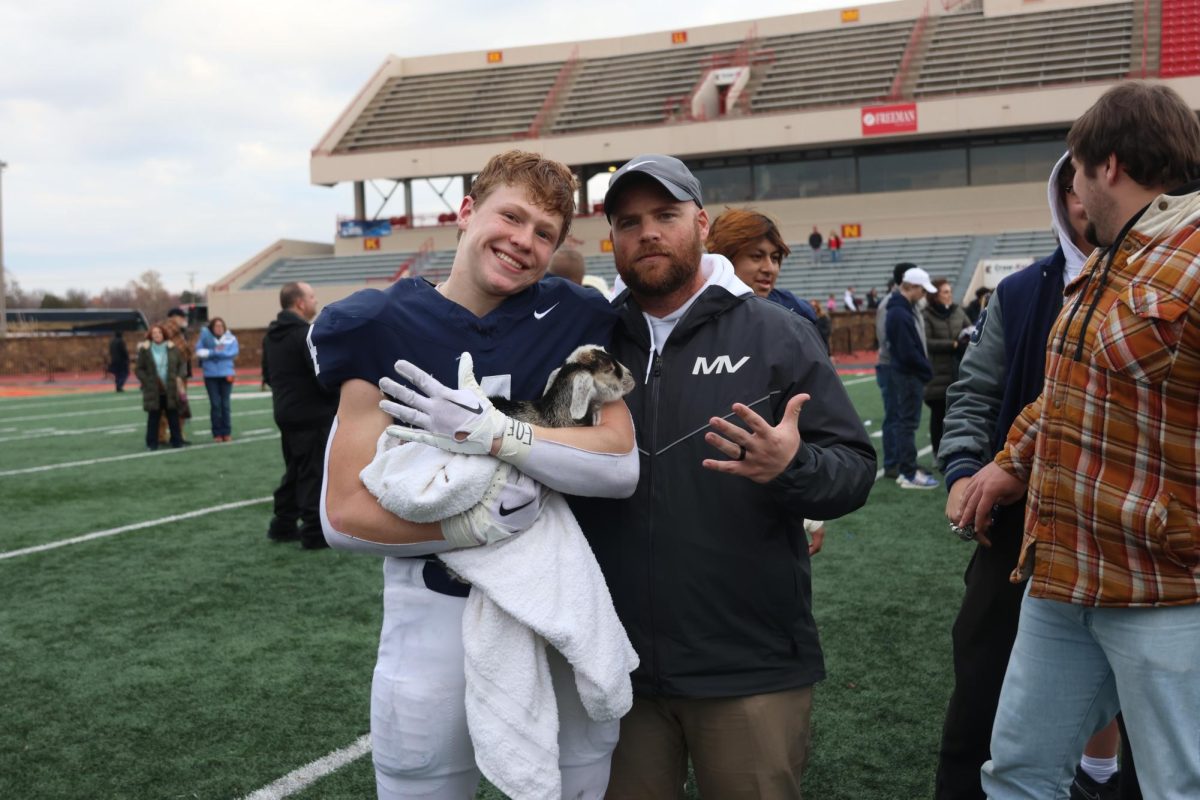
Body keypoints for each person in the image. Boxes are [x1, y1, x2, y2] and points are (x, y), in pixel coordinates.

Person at [309, 150, 638, 798]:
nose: (523, 241)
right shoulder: (381, 322)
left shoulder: (579, 319)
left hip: (553, 601)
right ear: (466, 212)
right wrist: (475, 525)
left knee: (571, 783)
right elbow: (341, 516)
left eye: (545, 233)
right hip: (430, 604)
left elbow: (619, 462)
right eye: (510, 217)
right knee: (421, 781)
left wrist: (501, 436)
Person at [570, 154, 876, 799]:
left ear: (702, 223)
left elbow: (853, 469)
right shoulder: (590, 344)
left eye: (666, 215)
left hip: (749, 663)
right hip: (612, 665)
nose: (647, 232)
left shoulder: (778, 333)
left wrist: (792, 468)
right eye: (629, 222)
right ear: (613, 240)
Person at [958, 82, 1200, 799]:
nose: (1074, 192)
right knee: (1019, 772)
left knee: (1175, 785)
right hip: (1062, 576)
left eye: (1077, 168)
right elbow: (1068, 393)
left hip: (1164, 585)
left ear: (1110, 166)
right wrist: (1006, 465)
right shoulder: (1105, 261)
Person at [934, 153, 1133, 800]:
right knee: (984, 706)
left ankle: (1103, 778)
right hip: (1018, 538)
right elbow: (975, 395)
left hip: (1142, 540)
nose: (1087, 199)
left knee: (1156, 723)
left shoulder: (1170, 282)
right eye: (1073, 186)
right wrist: (966, 470)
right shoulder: (1022, 291)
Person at [262, 282, 338, 549]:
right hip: (311, 414)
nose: (315, 301)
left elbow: (267, 376)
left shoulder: (271, 336)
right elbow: (322, 375)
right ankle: (314, 532)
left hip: (285, 411)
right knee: (313, 473)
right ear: (300, 303)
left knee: (295, 470)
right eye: (312, 297)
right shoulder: (304, 334)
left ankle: (282, 524)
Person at [704, 208, 816, 322]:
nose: (770, 268)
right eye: (757, 256)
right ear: (726, 259)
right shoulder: (699, 314)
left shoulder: (797, 313)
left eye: (775, 258)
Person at [886, 265, 939, 489]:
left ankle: (907, 468)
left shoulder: (901, 309)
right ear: (912, 287)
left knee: (906, 423)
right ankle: (908, 473)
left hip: (906, 374)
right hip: (907, 375)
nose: (924, 295)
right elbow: (908, 351)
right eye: (922, 290)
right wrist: (926, 369)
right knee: (908, 424)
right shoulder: (899, 312)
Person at [876, 262, 918, 479]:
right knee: (894, 414)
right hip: (891, 365)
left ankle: (901, 460)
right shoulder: (889, 304)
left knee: (900, 414)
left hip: (896, 365)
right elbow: (887, 338)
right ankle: (892, 462)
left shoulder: (903, 302)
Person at [922, 278, 970, 458]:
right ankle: (937, 452)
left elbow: (970, 328)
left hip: (957, 371)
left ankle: (955, 451)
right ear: (935, 295)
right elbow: (926, 341)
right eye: (945, 292)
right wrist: (953, 344)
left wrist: (966, 339)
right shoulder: (926, 314)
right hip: (937, 373)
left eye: (949, 291)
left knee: (956, 415)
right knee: (938, 415)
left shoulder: (958, 311)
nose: (949, 295)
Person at [134, 324, 186, 450]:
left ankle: (177, 441)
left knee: (173, 415)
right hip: (154, 389)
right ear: (150, 335)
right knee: (154, 417)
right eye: (154, 333)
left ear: (164, 334)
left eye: (159, 332)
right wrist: (147, 381)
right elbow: (139, 369)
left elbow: (182, 365)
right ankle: (152, 443)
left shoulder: (173, 348)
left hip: (171, 387)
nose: (157, 335)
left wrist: (179, 377)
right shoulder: (145, 350)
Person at [195, 317, 239, 442]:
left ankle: (227, 432)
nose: (219, 328)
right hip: (210, 376)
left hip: (227, 374)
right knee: (215, 404)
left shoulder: (231, 338)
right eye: (216, 326)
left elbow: (233, 353)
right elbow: (199, 352)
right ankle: (217, 433)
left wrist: (212, 353)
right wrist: (215, 352)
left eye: (221, 326)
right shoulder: (205, 337)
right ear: (212, 328)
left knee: (225, 405)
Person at [159, 307, 193, 444]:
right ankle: (161, 435)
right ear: (173, 317)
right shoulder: (166, 330)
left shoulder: (181, 332)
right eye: (181, 317)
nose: (184, 319)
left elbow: (185, 351)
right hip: (169, 374)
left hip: (182, 373)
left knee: (181, 405)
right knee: (165, 406)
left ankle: (178, 434)